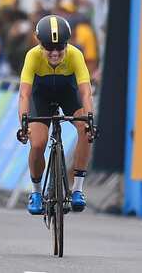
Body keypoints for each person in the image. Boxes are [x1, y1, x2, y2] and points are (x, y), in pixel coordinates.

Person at [19, 14, 95, 215]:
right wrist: (24, 123)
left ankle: (77, 189)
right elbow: (25, 94)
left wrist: (89, 118)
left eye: (60, 47)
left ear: (66, 44)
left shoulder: (75, 55)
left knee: (85, 130)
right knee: (37, 143)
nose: (54, 53)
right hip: (40, 97)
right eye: (49, 48)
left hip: (68, 93)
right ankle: (36, 192)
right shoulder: (32, 56)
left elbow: (86, 91)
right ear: (40, 45)